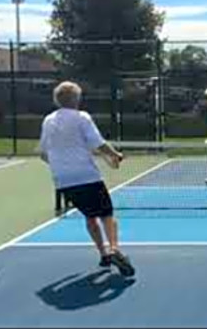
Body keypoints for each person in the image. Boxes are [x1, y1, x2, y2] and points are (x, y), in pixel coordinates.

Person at [39, 81, 135, 276]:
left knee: (90, 216)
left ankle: (104, 254)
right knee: (107, 215)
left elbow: (43, 153)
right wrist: (115, 155)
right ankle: (115, 249)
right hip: (87, 177)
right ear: (76, 99)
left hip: (63, 181)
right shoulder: (82, 117)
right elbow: (98, 143)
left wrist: (61, 166)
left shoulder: (48, 120)